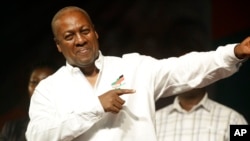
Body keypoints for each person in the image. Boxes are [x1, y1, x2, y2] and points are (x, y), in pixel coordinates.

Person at [25, 6, 250, 141]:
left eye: (85, 31)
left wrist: (233, 52)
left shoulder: (133, 67)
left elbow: (184, 68)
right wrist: (96, 107)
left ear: (95, 33)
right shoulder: (49, 90)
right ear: (58, 44)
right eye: (69, 36)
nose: (80, 40)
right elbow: (37, 136)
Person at [155, 87, 248, 141]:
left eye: (194, 72)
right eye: (182, 72)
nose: (188, 77)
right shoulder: (154, 120)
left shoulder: (234, 119)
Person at [0, 61, 56, 141]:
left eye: (45, 82)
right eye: (34, 82)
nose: (38, 88)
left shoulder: (71, 126)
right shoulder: (11, 129)